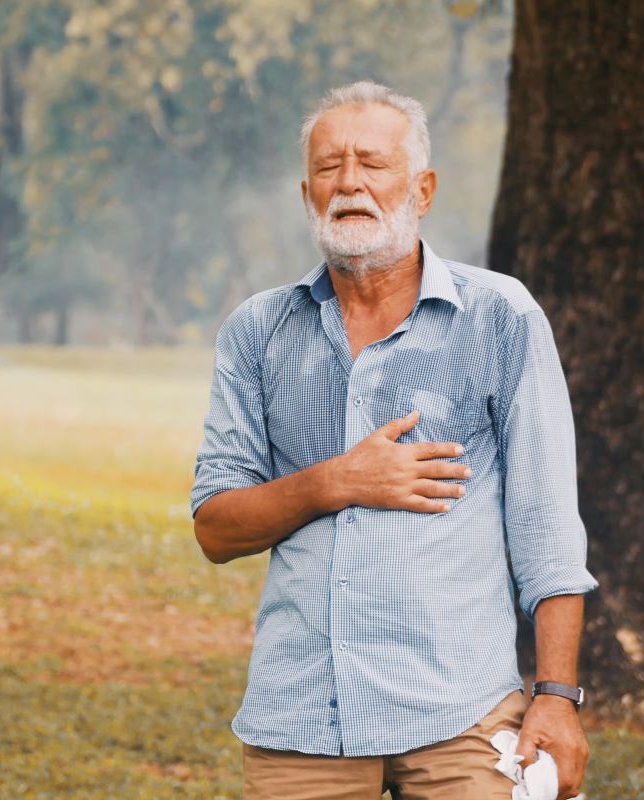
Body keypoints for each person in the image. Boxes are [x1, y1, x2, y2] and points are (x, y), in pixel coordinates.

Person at [190, 81, 598, 800]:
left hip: (460, 714)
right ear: (308, 191)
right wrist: (336, 481)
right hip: (303, 720)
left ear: (423, 188)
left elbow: (545, 525)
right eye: (328, 166)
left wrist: (558, 695)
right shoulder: (257, 332)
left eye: (372, 163)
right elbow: (216, 529)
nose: (349, 182)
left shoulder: (500, 316)